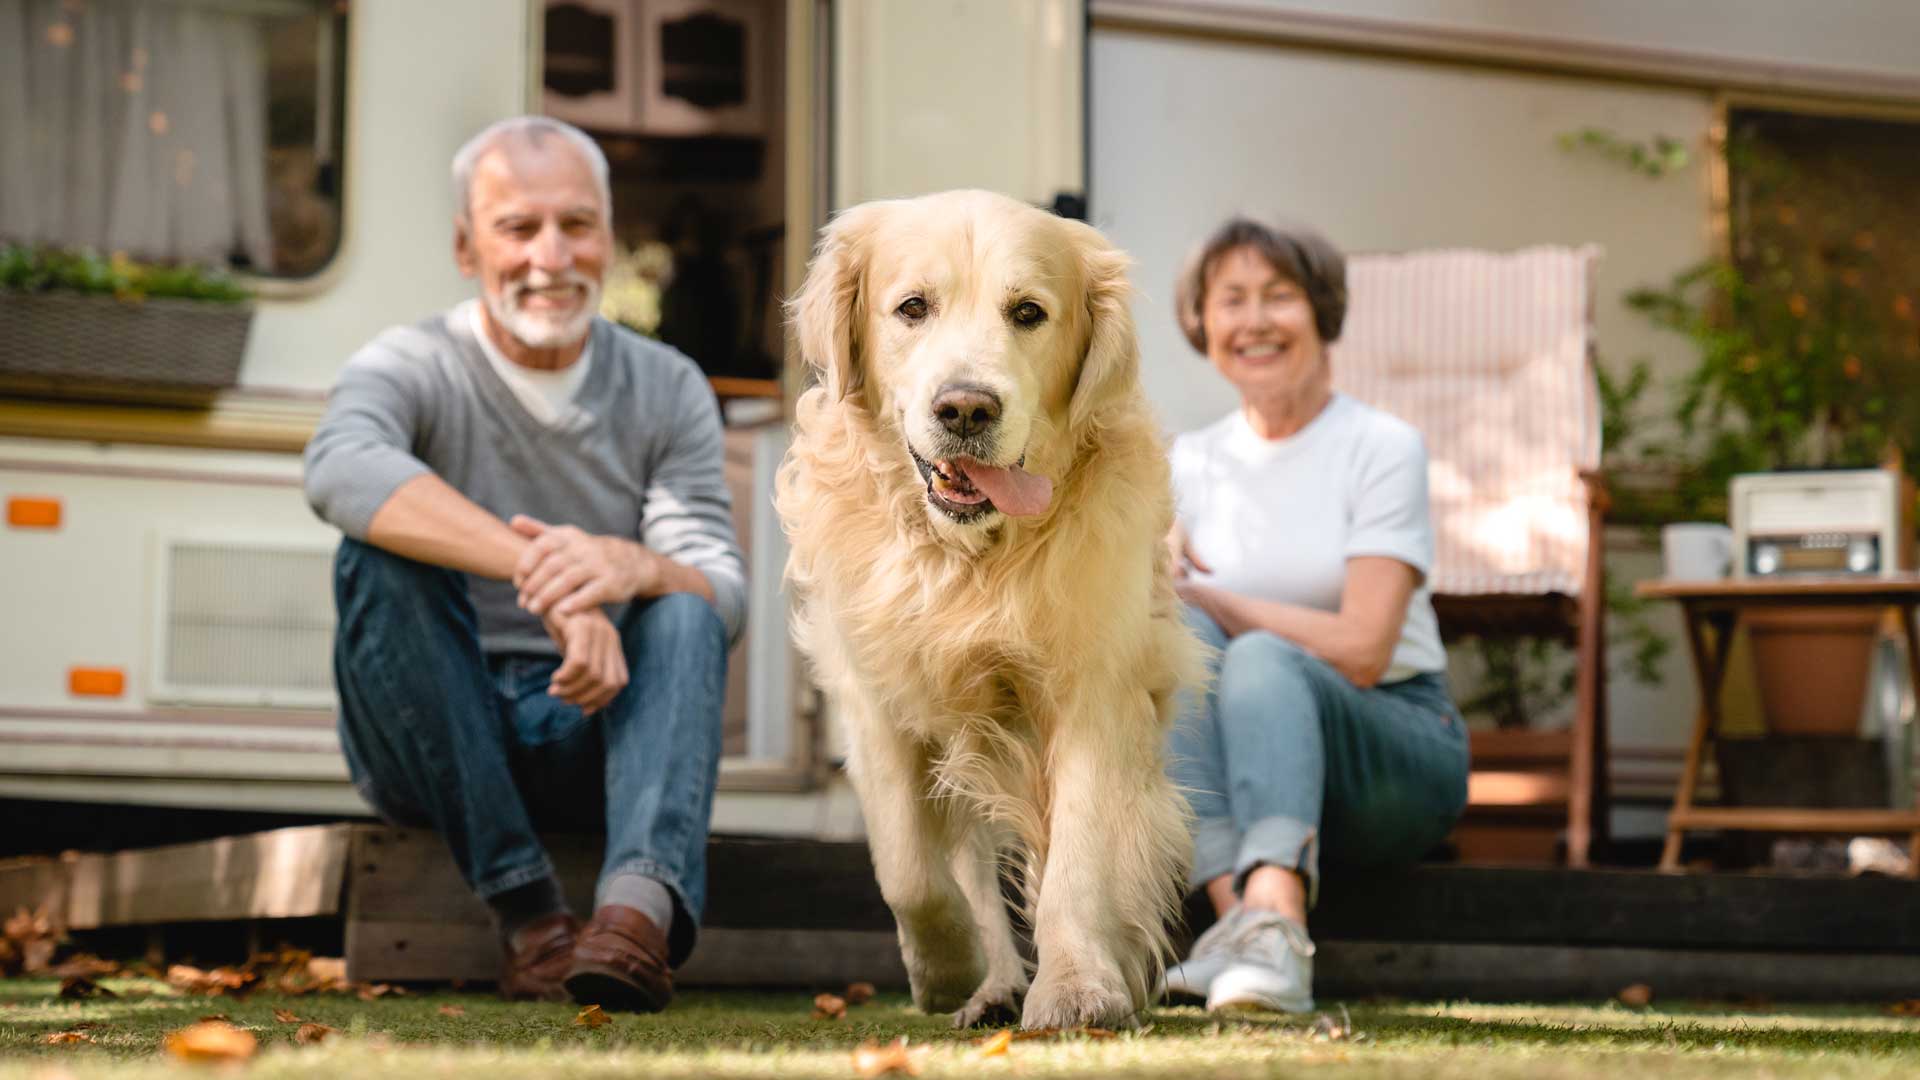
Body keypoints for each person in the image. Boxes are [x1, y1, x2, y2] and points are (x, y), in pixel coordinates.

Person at [302, 116, 745, 1011]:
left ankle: (633, 920)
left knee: (686, 604)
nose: (553, 255)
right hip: (432, 742)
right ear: (467, 249)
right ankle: (534, 922)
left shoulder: (668, 385)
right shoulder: (412, 360)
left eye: (578, 225)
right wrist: (541, 573)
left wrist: (632, 566)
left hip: (588, 727)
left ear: (610, 241)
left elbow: (723, 588)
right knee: (378, 557)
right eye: (518, 228)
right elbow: (339, 468)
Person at [1158, 218, 1468, 1013]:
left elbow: (1365, 648)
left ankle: (1275, 926)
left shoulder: (1380, 446)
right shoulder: (1187, 463)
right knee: (1169, 636)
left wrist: (1224, 600)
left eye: (1278, 297)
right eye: (1231, 300)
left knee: (1253, 649)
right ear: (1205, 324)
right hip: (1251, 774)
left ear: (1322, 313)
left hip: (1391, 753)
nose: (1254, 321)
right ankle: (1249, 931)